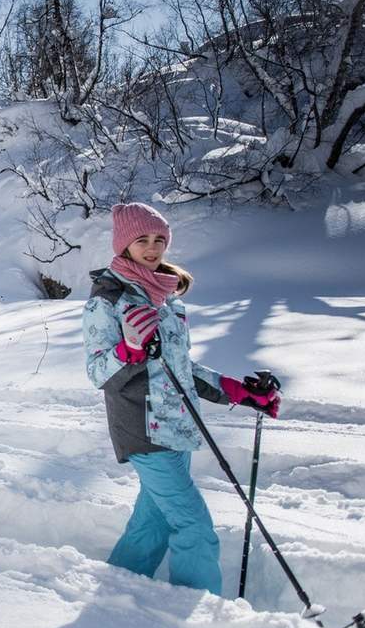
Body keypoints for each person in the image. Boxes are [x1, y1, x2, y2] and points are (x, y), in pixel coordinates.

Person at [82, 202, 281, 595]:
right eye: (143, 240)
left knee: (153, 521)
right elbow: (97, 371)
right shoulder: (108, 300)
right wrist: (129, 350)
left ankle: (117, 588)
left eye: (160, 239)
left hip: (177, 422)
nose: (153, 248)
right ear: (124, 245)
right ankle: (199, 605)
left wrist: (237, 392)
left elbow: (179, 367)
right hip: (142, 426)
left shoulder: (166, 296)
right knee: (193, 525)